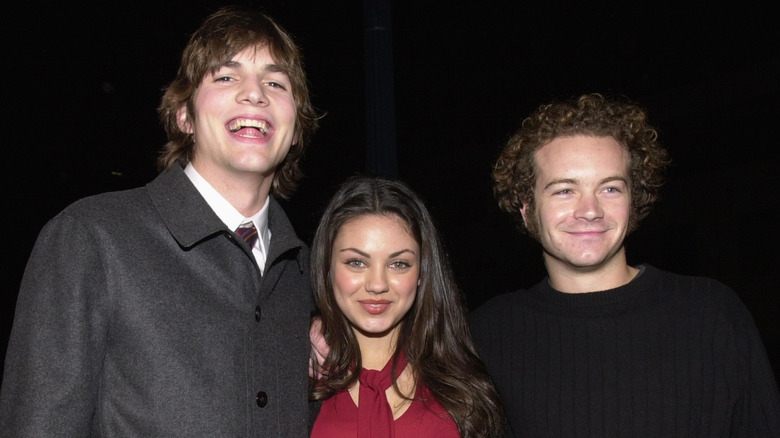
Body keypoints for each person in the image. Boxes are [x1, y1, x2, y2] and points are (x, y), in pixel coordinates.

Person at [0, 5, 320, 437]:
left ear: (296, 129)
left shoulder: (309, 276)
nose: (254, 94)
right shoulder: (91, 238)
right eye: (226, 77)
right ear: (184, 115)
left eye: (276, 83)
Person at [469, 93, 780, 437]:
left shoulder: (712, 313)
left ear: (634, 201)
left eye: (610, 189)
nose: (590, 210)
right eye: (564, 191)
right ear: (527, 211)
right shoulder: (487, 334)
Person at [308, 175, 505, 438]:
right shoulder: (294, 379)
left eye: (398, 264)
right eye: (357, 262)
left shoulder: (467, 380)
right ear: (327, 267)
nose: (377, 284)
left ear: (422, 271)